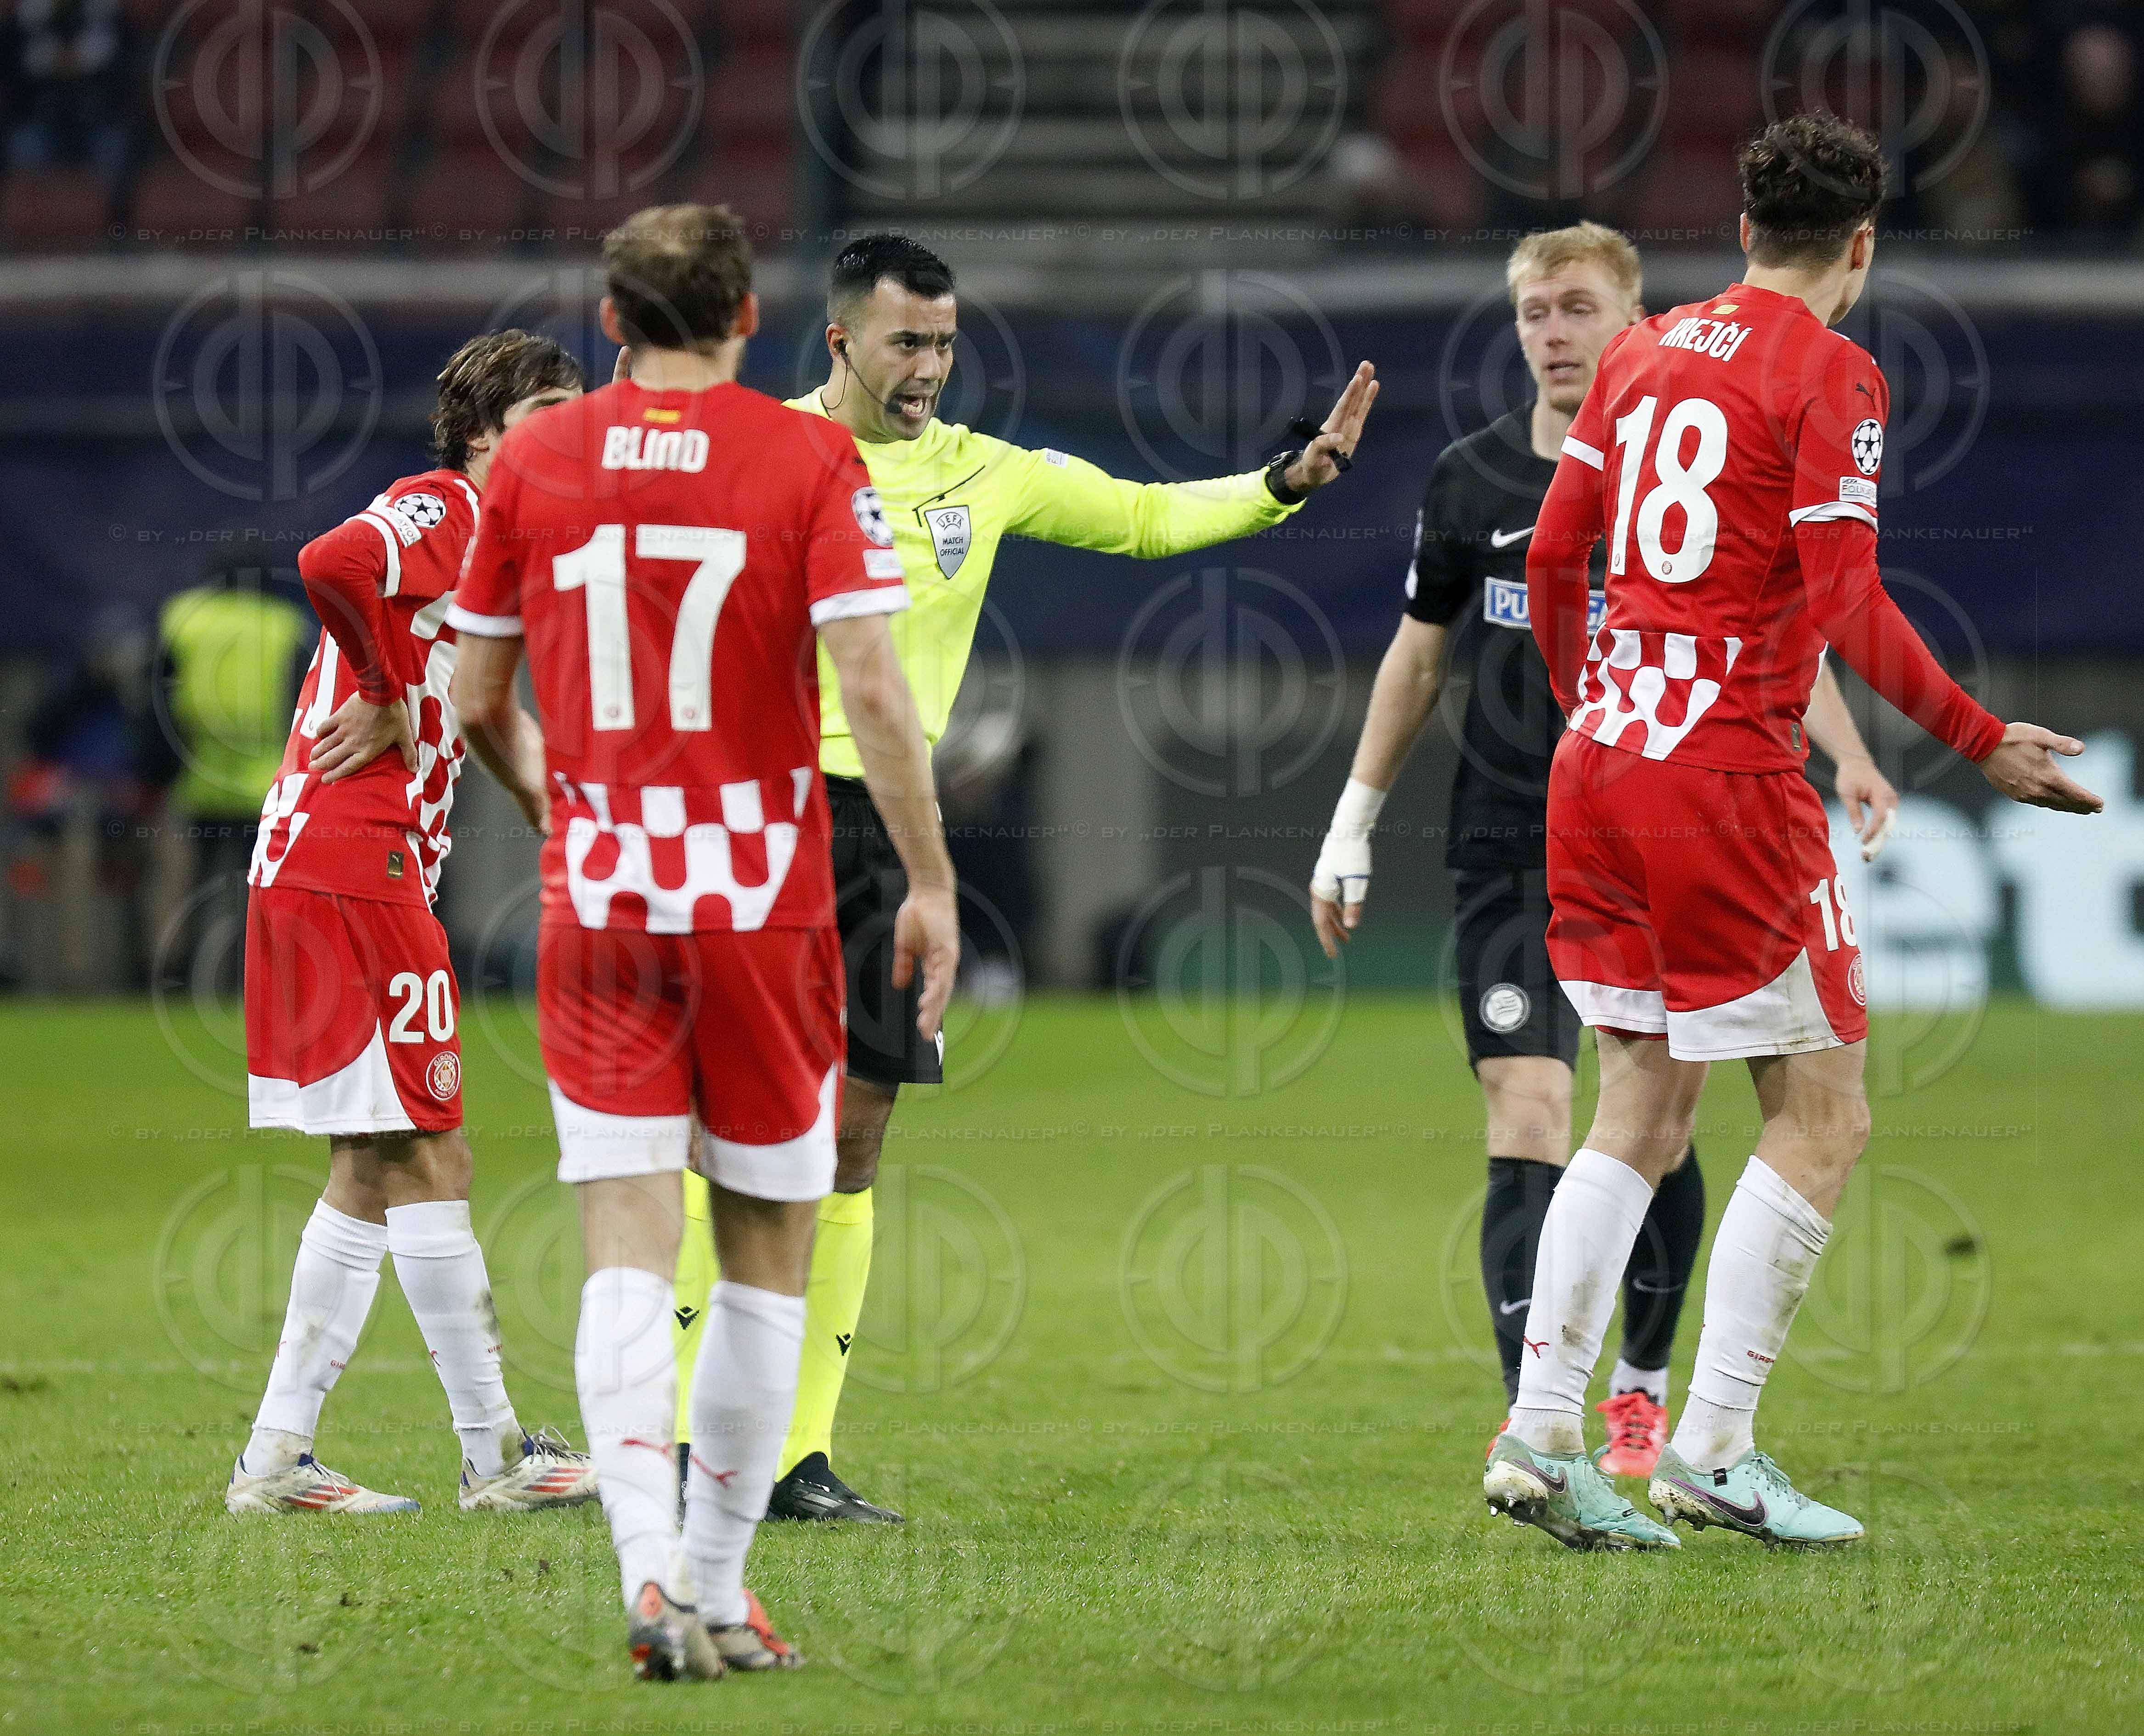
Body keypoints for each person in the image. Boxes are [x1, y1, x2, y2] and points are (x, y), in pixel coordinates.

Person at [671, 232, 1379, 1525]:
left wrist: (1284, 480)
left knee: (855, 1137)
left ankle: (792, 1456)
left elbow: (1149, 515)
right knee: (729, 1129)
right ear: (840, 342)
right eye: (905, 342)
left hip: (888, 831)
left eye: (943, 342)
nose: (929, 366)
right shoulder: (754, 448)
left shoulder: (983, 475)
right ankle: (674, 1433)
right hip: (754, 818)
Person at [1490, 112, 2101, 1551]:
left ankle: (1537, 1434)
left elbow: (1555, 553)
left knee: (1634, 1112)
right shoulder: (1834, 374)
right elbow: (1841, 598)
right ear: (1862, 248)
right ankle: (1710, 1449)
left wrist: (1598, 696)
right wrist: (1974, 734)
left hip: (1601, 765)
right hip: (1722, 781)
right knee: (1823, 1116)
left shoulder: (1642, 352)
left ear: (1744, 232)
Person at [449, 204, 960, 1680]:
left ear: (609, 324)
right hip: (764, 902)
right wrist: (925, 880)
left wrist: (566, 798)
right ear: (748, 318)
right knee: (764, 1249)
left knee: (623, 1239)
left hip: (599, 896)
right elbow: (869, 690)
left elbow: (483, 697)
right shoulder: (806, 458)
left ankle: (649, 1573)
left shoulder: (536, 460)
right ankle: (725, 1592)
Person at [1308, 223, 1898, 1479]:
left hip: (1662, 837)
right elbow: (1418, 654)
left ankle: (1634, 1385)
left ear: (1632, 316)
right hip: (1513, 844)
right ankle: (1536, 1410)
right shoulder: (1468, 483)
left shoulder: (1668, 457)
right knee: (1532, 1106)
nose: (1552, 334)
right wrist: (1349, 824)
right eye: (1531, 313)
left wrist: (1842, 749)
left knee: (1659, 1118)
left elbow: (1760, 630)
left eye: (1576, 309)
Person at [228, 331, 597, 1518]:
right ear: (485, 434)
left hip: (332, 864)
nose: (569, 429)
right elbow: (329, 555)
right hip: (355, 867)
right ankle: (496, 1454)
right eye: (547, 408)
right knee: (435, 1146)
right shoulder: (449, 507)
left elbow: (485, 702)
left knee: (374, 1160)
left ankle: (278, 1457)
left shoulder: (511, 549)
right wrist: (383, 691)